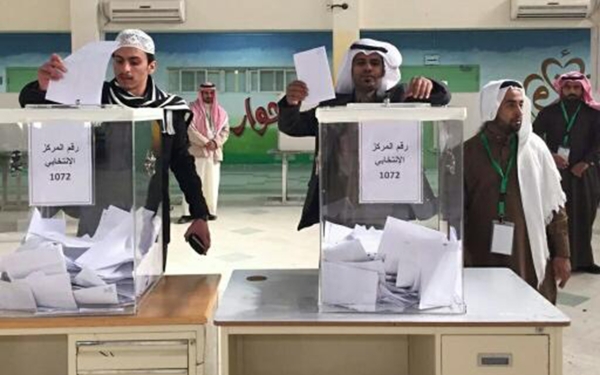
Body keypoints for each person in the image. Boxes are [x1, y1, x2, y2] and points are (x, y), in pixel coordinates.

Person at [19, 29, 212, 266]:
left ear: (151, 66)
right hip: (98, 214)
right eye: (119, 61)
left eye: (134, 61)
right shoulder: (93, 97)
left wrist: (199, 214)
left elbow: (182, 163)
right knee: (94, 284)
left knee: (149, 285)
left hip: (149, 212)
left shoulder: (169, 108)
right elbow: (32, 102)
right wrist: (42, 86)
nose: (125, 69)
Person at [278, 38, 451, 230]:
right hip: (342, 203)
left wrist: (429, 85)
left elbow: (442, 97)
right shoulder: (333, 107)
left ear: (384, 70)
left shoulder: (400, 99)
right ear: (351, 70)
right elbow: (293, 126)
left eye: (375, 63)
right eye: (360, 63)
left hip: (392, 205)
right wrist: (291, 103)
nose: (367, 68)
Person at [463, 79, 571, 303]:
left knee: (530, 306)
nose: (519, 111)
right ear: (492, 107)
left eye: (522, 104)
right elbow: (456, 213)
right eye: (511, 105)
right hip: (481, 249)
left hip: (527, 250)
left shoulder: (536, 148)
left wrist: (562, 253)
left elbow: (555, 206)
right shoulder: (468, 152)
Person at [533, 71, 600, 274]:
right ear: (561, 89)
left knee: (583, 214)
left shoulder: (593, 114)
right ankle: (556, 257)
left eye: (576, 87)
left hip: (584, 174)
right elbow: (534, 137)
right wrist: (550, 155)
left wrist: (586, 162)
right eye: (568, 87)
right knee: (556, 214)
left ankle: (583, 261)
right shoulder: (549, 112)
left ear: (583, 89)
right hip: (555, 173)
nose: (572, 91)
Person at [178, 82, 230, 223]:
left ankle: (209, 211)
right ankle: (188, 213)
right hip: (197, 152)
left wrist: (215, 142)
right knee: (192, 183)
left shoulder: (221, 112)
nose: (208, 95)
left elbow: (225, 131)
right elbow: (189, 129)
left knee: (212, 183)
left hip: (214, 153)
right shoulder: (190, 109)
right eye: (205, 93)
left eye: (211, 93)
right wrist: (206, 142)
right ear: (200, 94)